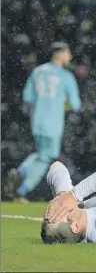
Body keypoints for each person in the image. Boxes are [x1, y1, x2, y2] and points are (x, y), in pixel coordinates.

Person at [4, 42, 82, 203]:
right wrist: (63, 103)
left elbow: (28, 98)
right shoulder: (66, 76)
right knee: (47, 157)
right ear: (60, 54)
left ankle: (19, 174)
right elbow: (76, 104)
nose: (70, 57)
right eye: (68, 53)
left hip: (37, 120)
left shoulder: (38, 72)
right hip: (53, 123)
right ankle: (21, 186)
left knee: (41, 154)